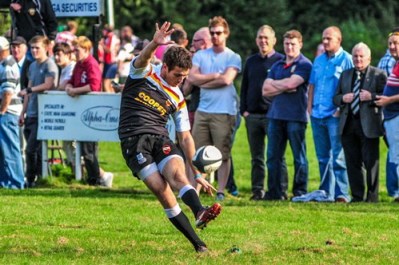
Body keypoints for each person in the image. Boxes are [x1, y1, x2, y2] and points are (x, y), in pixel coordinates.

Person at [119, 21, 221, 252]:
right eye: (177, 75)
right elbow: (143, 58)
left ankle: (200, 211)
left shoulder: (178, 97)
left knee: (177, 175)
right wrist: (155, 43)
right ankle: (198, 244)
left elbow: (185, 137)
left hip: (160, 139)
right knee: (162, 191)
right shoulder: (142, 73)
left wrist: (197, 171)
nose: (181, 80)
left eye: (185, 76)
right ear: (164, 67)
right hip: (134, 141)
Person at [188, 16, 241, 201]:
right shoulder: (201, 55)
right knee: (197, 154)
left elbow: (227, 80)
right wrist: (215, 76)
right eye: (212, 33)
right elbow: (192, 78)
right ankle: (195, 189)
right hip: (203, 110)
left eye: (219, 33)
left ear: (226, 33)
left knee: (223, 154)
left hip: (224, 111)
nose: (216, 36)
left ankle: (220, 191)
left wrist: (205, 81)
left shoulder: (233, 56)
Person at [262, 29, 312, 200]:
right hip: (275, 116)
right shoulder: (277, 65)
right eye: (287, 44)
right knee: (273, 157)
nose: (289, 47)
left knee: (299, 157)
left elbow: (293, 84)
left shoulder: (305, 64)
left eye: (293, 44)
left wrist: (277, 84)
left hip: (296, 117)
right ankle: (275, 192)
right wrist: (285, 85)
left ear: (300, 45)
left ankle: (299, 191)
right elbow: (265, 90)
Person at [334, 42, 387, 202]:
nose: (358, 59)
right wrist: (343, 98)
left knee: (371, 162)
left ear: (369, 58)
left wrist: (370, 96)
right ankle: (357, 196)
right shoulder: (346, 74)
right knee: (352, 163)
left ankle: (372, 197)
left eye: (361, 56)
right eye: (355, 56)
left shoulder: (379, 74)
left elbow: (386, 97)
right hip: (348, 124)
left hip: (369, 124)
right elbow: (335, 98)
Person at [240, 25, 288, 201]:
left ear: (274, 40)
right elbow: (244, 87)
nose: (263, 41)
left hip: (273, 116)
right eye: (260, 37)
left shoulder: (280, 61)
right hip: (252, 116)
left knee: (276, 156)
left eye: (266, 37)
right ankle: (257, 191)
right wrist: (243, 110)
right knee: (257, 157)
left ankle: (279, 191)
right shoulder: (251, 61)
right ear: (256, 40)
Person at [307, 26, 353, 202]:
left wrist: (339, 110)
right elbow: (312, 85)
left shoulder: (346, 59)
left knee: (338, 157)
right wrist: (310, 108)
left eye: (329, 39)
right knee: (322, 157)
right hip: (317, 115)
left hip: (334, 116)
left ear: (339, 40)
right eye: (323, 38)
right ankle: (326, 191)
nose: (325, 41)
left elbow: (350, 88)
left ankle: (342, 193)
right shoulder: (318, 61)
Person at [65, 36, 113, 188]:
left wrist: (74, 90)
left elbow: (93, 86)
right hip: (80, 109)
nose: (75, 53)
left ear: (86, 49)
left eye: (77, 50)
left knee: (89, 149)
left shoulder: (91, 64)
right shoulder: (79, 65)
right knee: (83, 147)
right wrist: (68, 86)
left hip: (91, 110)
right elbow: (73, 81)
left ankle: (95, 179)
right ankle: (94, 177)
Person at [19, 35, 58, 187]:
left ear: (46, 48)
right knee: (36, 149)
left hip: (45, 114)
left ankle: (30, 179)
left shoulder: (50, 65)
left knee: (31, 149)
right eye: (32, 48)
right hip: (32, 112)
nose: (34, 51)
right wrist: (23, 112)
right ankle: (41, 178)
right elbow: (28, 92)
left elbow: (49, 85)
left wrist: (29, 89)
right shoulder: (33, 66)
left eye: (37, 48)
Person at [375, 28, 399, 202]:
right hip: (391, 116)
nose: (392, 47)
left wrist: (388, 100)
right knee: (395, 156)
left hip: (396, 115)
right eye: (390, 43)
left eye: (396, 43)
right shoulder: (395, 63)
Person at [0, 36, 24, 189]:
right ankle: (5, 182)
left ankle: (16, 183)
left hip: (8, 112)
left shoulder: (7, 65)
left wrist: (2, 111)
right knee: (4, 150)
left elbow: (8, 92)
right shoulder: (5, 64)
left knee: (10, 149)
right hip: (7, 112)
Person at [11, 36, 31, 170]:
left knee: (23, 145)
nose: (16, 49)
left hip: (25, 109)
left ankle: (24, 174)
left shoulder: (30, 65)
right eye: (13, 46)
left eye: (19, 46)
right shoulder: (7, 63)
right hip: (10, 109)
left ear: (25, 48)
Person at [100, 25, 120, 93]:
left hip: (110, 62)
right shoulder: (109, 37)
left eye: (104, 30)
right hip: (109, 62)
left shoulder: (111, 37)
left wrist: (101, 44)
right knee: (107, 84)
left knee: (106, 83)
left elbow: (109, 50)